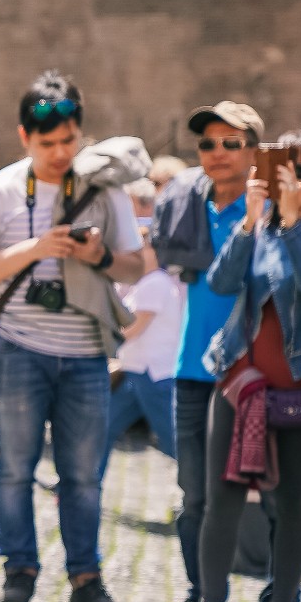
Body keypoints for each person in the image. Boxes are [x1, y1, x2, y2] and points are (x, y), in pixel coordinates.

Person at [0, 71, 146, 602]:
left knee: (83, 474)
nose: (61, 153)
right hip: (17, 347)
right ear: (24, 138)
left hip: (87, 352)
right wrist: (35, 249)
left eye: (69, 140)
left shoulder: (104, 190)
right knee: (14, 465)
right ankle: (19, 569)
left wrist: (99, 259)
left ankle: (86, 579)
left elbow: (137, 262)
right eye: (47, 144)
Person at [177, 130, 301, 602]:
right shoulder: (258, 231)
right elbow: (221, 283)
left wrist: (293, 220)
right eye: (281, 170)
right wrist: (251, 223)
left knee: (293, 502)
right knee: (221, 497)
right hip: (241, 383)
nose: (289, 181)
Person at [149, 101, 259, 602]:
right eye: (207, 144)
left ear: (254, 151)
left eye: (230, 143)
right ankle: (200, 597)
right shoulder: (185, 202)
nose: (217, 153)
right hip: (192, 367)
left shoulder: (272, 209)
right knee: (194, 493)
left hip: (255, 370)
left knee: (268, 496)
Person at [98, 177, 185, 480]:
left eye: (141, 248)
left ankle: (202, 490)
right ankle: (78, 483)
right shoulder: (146, 283)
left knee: (175, 442)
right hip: (138, 371)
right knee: (103, 431)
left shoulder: (155, 283)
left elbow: (131, 329)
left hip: (153, 374)